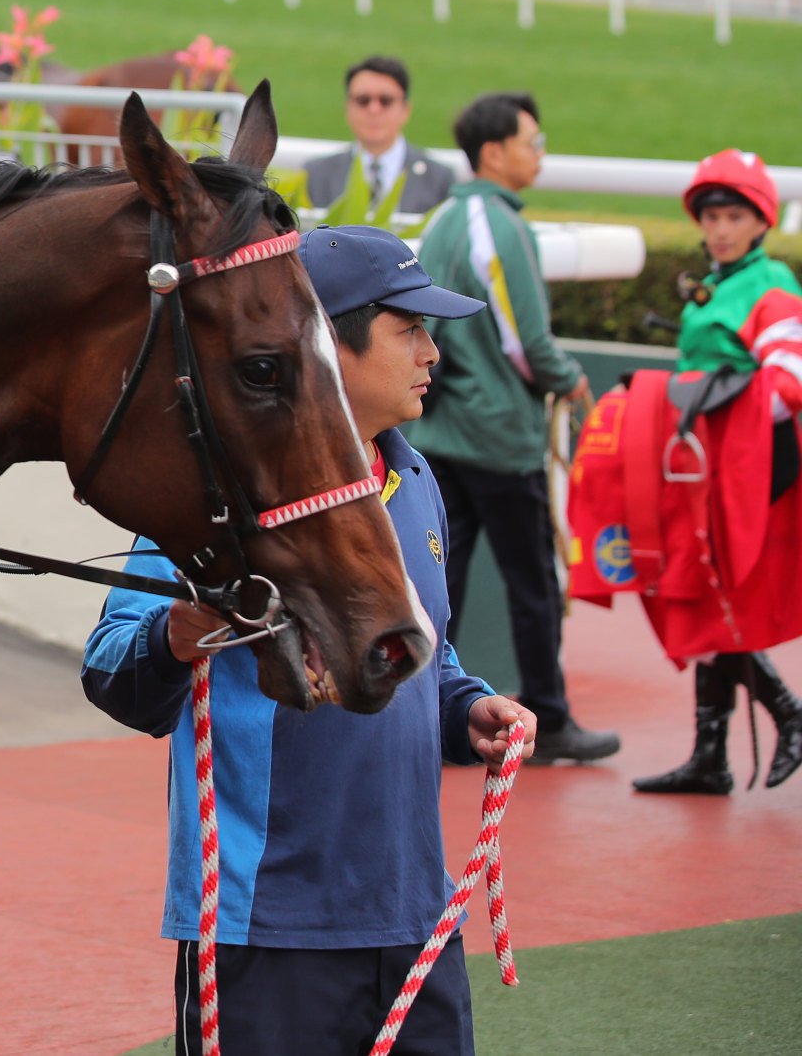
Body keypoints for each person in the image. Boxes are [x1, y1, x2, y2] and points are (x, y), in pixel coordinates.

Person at [81, 225, 535, 1056]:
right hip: (268, 927)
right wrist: (177, 634)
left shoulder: (417, 477)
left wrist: (469, 704)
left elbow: (419, 653)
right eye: (411, 328)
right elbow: (111, 666)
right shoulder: (220, 494)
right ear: (329, 343)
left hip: (414, 915)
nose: (433, 350)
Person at [411, 92, 620, 764]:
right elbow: (523, 340)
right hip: (498, 435)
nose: (540, 153)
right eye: (534, 140)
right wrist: (566, 377)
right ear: (494, 150)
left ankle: (424, 715)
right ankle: (550, 718)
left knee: (442, 582)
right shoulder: (498, 224)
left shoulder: (445, 216)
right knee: (533, 585)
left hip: (444, 433)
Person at [627, 148, 802, 794]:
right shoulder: (722, 283)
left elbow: (788, 384)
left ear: (760, 223)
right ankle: (712, 754)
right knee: (700, 589)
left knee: (710, 594)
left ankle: (786, 711)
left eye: (734, 216)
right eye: (712, 217)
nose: (720, 229)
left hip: (742, 467)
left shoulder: (772, 283)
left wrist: (727, 410)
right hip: (700, 465)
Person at [303, 56, 456, 216]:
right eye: (363, 100)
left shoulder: (438, 179)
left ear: (406, 110)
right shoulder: (317, 175)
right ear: (348, 108)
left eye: (386, 101)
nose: (374, 110)